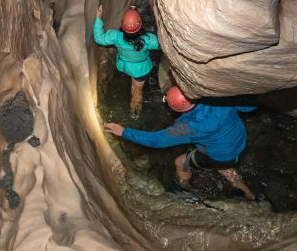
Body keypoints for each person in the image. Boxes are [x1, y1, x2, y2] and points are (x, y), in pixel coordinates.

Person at [104, 86, 257, 200]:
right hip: (239, 142)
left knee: (181, 161)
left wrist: (123, 132)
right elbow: (249, 106)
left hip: (219, 155)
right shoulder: (220, 99)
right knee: (226, 167)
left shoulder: (188, 127)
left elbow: (156, 140)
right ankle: (249, 193)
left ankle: (185, 186)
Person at [93, 4, 159, 114]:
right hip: (140, 70)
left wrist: (98, 18)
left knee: (133, 84)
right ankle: (135, 111)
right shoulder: (148, 39)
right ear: (140, 25)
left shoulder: (116, 37)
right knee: (137, 90)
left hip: (124, 66)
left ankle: (132, 93)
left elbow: (99, 39)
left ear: (122, 25)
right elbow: (159, 45)